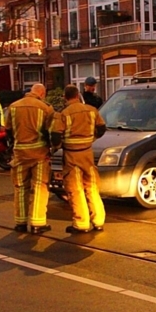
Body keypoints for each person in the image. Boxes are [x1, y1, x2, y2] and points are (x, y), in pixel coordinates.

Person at [51, 85, 107, 234]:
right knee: (92, 187)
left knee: (75, 189)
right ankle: (99, 220)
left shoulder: (63, 114)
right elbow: (102, 128)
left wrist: (56, 147)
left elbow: (55, 136)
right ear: (78, 95)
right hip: (88, 154)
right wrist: (91, 139)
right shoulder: (92, 110)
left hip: (72, 156)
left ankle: (81, 223)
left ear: (65, 97)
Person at [4, 84, 55, 235]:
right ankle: (38, 223)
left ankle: (20, 222)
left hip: (20, 153)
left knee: (20, 187)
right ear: (42, 93)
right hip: (39, 154)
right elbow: (50, 132)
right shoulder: (46, 108)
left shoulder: (13, 107)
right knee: (40, 186)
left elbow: (8, 130)